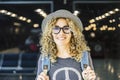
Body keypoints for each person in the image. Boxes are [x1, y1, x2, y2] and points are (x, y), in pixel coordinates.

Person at [36, 9, 96, 80]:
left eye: (66, 28)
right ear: (50, 33)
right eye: (56, 28)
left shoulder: (84, 57)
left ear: (73, 33)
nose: (61, 33)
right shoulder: (44, 59)